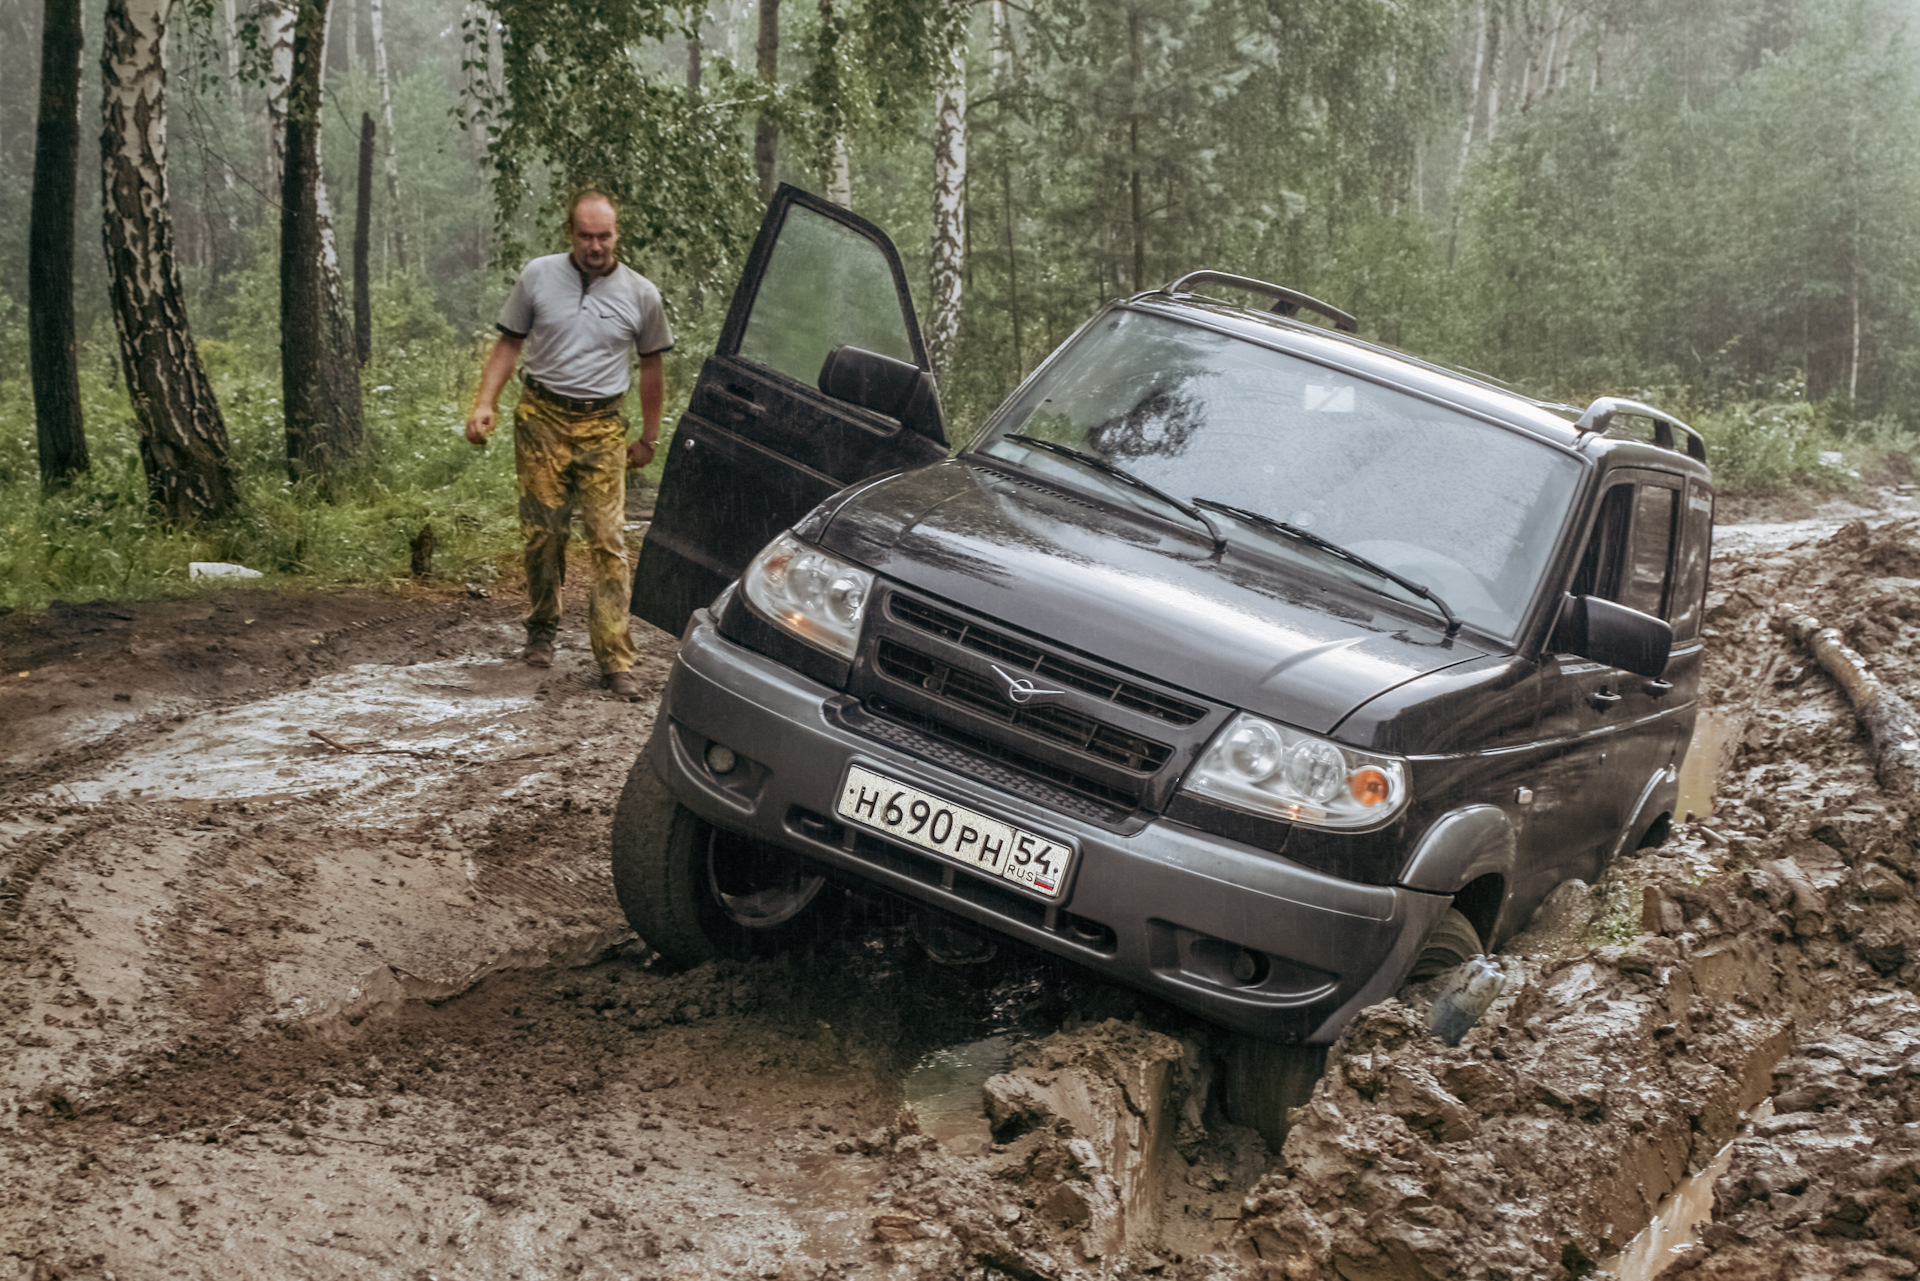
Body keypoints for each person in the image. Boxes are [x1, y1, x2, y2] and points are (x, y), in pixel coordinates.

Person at [465, 190, 672, 701]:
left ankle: (615, 659)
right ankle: (541, 630)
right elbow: (509, 341)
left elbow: (651, 367)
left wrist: (649, 435)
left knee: (607, 543)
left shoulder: (642, 295)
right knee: (544, 533)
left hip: (602, 426)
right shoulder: (538, 276)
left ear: (617, 235)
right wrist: (484, 403)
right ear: (570, 234)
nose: (595, 246)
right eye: (586, 236)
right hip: (542, 418)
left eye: (604, 236)